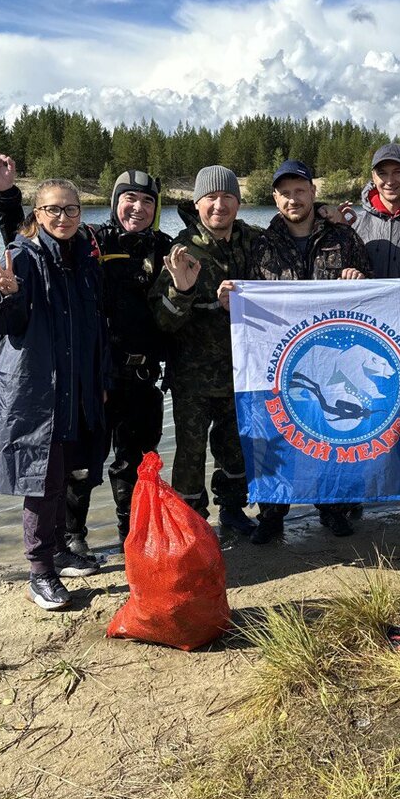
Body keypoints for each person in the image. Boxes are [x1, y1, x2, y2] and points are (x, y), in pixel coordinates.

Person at [0, 141, 173, 557]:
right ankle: (71, 536)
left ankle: (132, 536)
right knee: (80, 465)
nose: (137, 208)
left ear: (157, 208)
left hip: (141, 376)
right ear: (115, 203)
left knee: (137, 464)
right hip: (93, 376)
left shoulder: (167, 248)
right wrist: (7, 194)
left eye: (147, 202)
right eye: (129, 199)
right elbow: (29, 239)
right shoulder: (89, 242)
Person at [0, 178, 109, 610]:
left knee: (67, 474)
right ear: (37, 214)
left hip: (74, 390)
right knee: (42, 480)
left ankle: (57, 550)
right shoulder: (23, 257)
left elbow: (92, 331)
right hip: (37, 394)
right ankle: (40, 572)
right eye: (53, 209)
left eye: (71, 209)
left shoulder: (83, 260)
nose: (63, 217)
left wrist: (99, 383)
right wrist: (5, 295)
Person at [247, 159, 374, 544]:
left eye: (300, 190)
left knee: (327, 431)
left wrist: (359, 278)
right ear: (274, 198)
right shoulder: (260, 244)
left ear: (313, 193)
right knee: (274, 433)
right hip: (279, 360)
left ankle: (331, 508)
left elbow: (371, 297)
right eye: (284, 193)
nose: (293, 199)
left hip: (331, 356)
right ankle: (272, 513)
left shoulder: (345, 238)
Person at [149, 166, 257, 534]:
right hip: (192, 379)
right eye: (211, 198)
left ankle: (232, 509)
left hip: (241, 374)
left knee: (235, 448)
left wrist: (326, 213)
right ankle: (189, 522)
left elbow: (293, 227)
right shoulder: (179, 250)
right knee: (190, 455)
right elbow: (163, 321)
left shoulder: (252, 241)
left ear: (238, 203)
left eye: (228, 197)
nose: (219, 205)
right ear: (197, 204)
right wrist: (182, 289)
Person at [342, 142, 400, 277]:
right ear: (373, 177)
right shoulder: (354, 223)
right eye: (382, 173)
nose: (389, 181)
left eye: (397, 172)